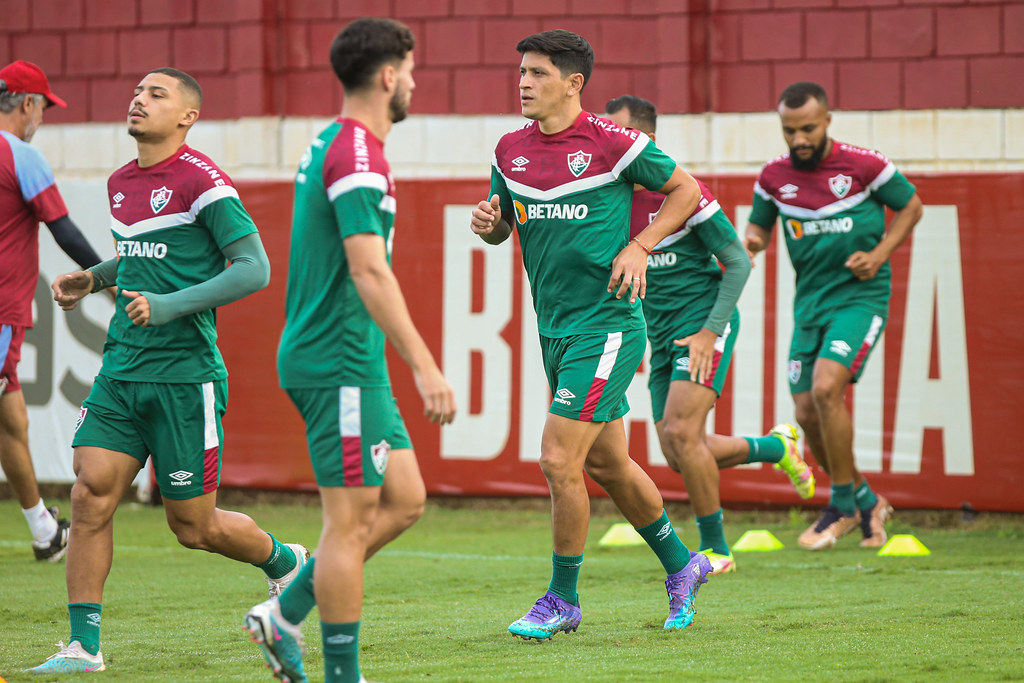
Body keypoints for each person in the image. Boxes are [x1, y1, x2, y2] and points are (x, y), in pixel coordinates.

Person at [30, 67, 308, 674]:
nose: (139, 100)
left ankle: (286, 562)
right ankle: (84, 646)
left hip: (186, 378)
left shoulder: (204, 181)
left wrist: (169, 306)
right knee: (88, 493)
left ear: (187, 116)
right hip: (122, 368)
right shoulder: (121, 182)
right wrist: (95, 278)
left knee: (194, 526)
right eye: (136, 91)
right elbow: (141, 255)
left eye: (157, 94)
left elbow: (254, 268)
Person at [471, 30, 713, 640]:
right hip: (552, 328)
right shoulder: (508, 148)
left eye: (538, 73)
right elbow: (506, 226)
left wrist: (640, 244)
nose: (523, 82)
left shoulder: (615, 143)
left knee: (557, 459)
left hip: (606, 326)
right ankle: (683, 564)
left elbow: (686, 190)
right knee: (608, 463)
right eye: (521, 71)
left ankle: (563, 599)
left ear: (574, 83)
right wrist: (490, 225)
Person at [242, 18, 456, 683]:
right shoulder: (357, 155)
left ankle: (286, 611)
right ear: (389, 75)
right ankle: (341, 674)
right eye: (412, 70)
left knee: (405, 499)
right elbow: (368, 271)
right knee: (348, 521)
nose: (415, 82)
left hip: (351, 359)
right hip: (336, 361)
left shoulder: (336, 143)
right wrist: (425, 364)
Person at [604, 95, 816, 573]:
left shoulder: (684, 192)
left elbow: (738, 262)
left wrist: (708, 331)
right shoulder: (609, 197)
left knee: (683, 432)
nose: (608, 143)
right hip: (658, 335)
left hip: (703, 324)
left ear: (645, 141)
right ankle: (776, 448)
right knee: (679, 453)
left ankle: (716, 549)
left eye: (617, 133)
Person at [744, 82, 922, 550]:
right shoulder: (772, 176)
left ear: (826, 121)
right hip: (809, 306)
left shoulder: (864, 165)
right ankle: (867, 501)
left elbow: (911, 205)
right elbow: (758, 228)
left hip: (859, 299)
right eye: (789, 130)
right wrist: (752, 243)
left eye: (807, 128)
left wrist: (880, 254)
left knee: (826, 388)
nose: (799, 139)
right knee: (806, 411)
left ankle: (840, 504)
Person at [0, 60, 106, 562]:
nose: (42, 117)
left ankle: (44, 530)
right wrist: (110, 279)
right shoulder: (21, 155)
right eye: (43, 106)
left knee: (10, 420)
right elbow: (64, 231)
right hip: (2, 309)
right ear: (26, 104)